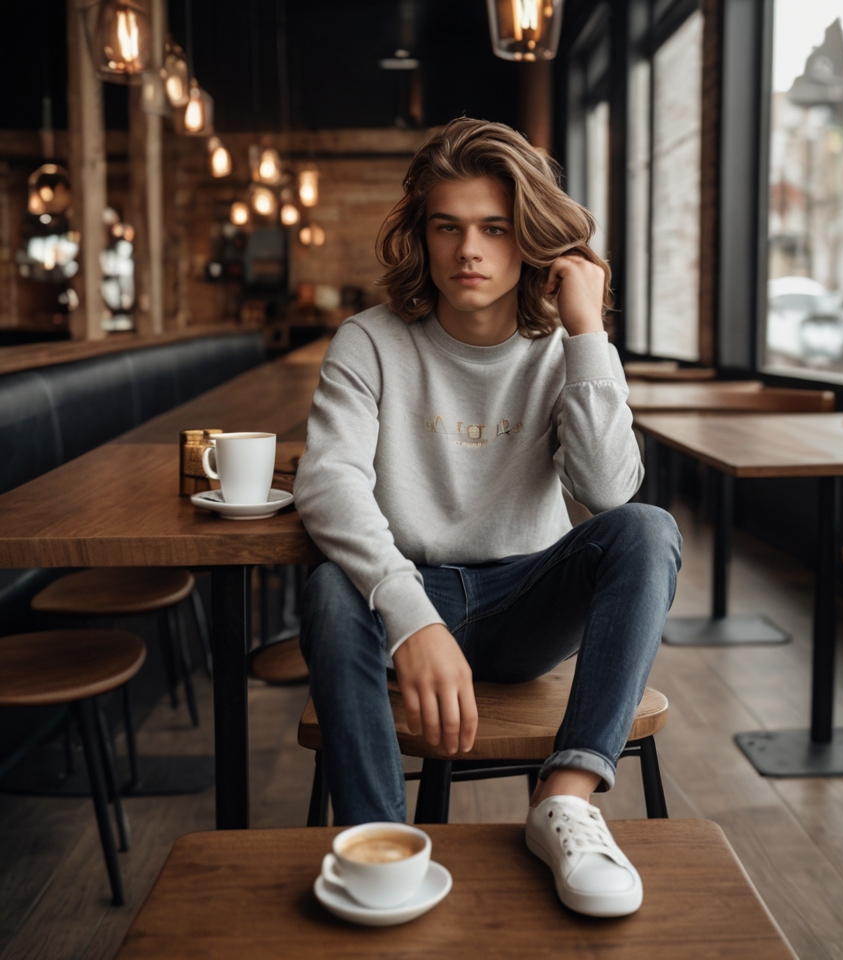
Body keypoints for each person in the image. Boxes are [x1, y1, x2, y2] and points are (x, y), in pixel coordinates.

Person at [295, 118, 682, 918]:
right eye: (449, 226)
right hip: (411, 599)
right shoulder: (368, 342)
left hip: (524, 605)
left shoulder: (561, 349)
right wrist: (412, 619)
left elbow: (609, 491)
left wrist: (587, 331)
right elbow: (328, 485)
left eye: (495, 228)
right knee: (333, 586)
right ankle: (381, 848)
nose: (468, 249)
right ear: (423, 236)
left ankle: (567, 801)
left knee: (647, 529)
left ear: (529, 239)